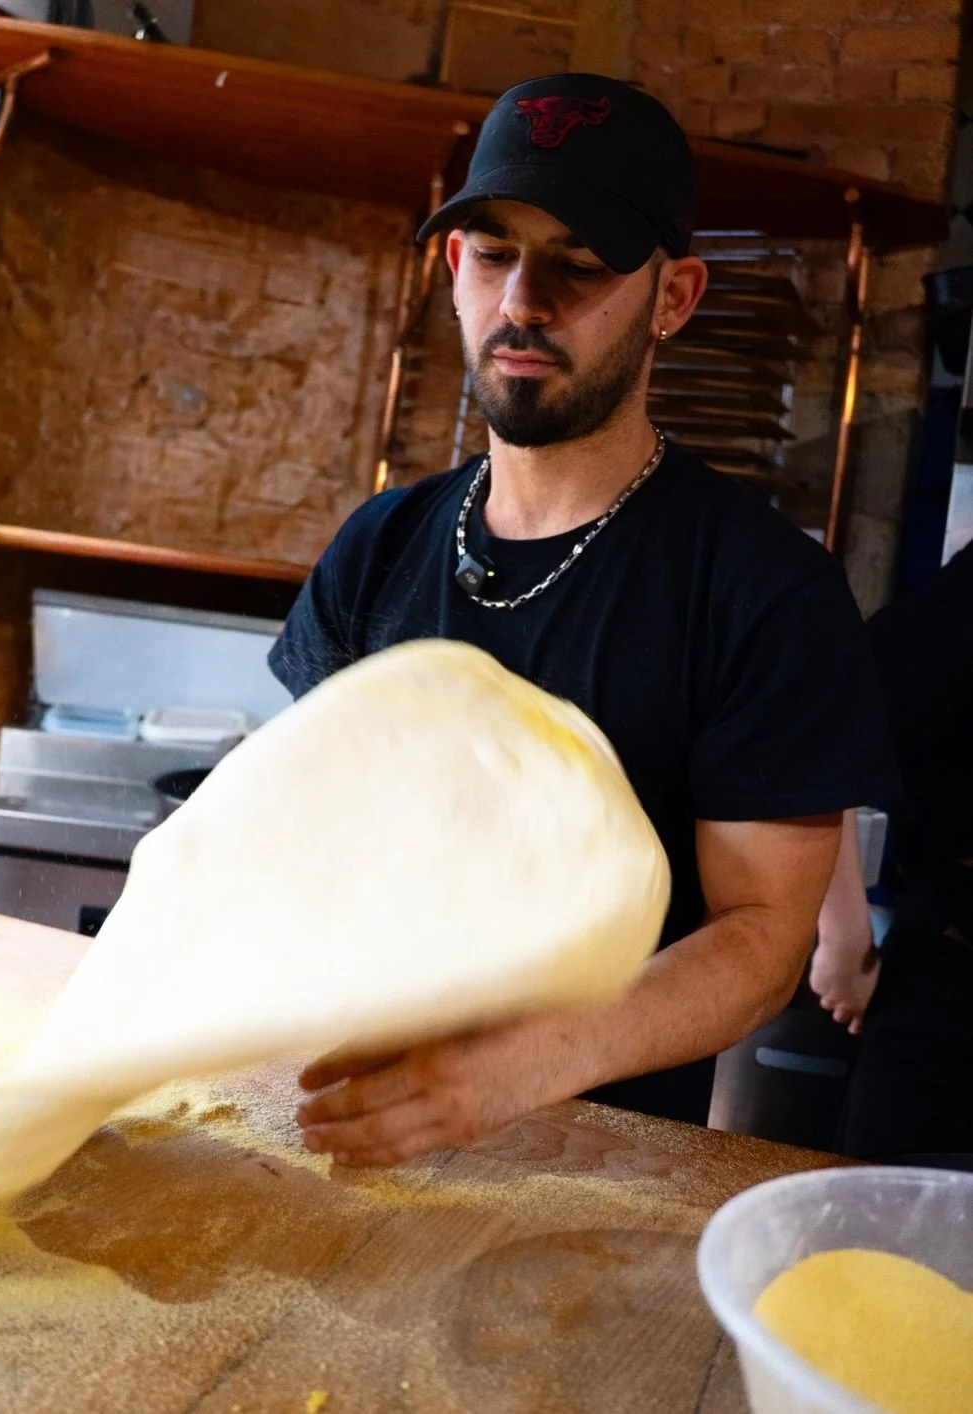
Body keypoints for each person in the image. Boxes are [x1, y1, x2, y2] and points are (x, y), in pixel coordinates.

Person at [269, 73, 899, 1169]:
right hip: (332, 1116)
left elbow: (758, 938)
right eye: (492, 252)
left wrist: (516, 1067)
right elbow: (293, 823)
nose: (522, 302)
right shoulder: (379, 544)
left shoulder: (759, 590)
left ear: (674, 297)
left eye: (580, 265)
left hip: (586, 1183)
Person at [812, 540, 973, 1160]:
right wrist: (845, 940)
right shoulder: (960, 607)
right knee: (879, 1231)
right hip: (949, 980)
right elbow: (827, 730)